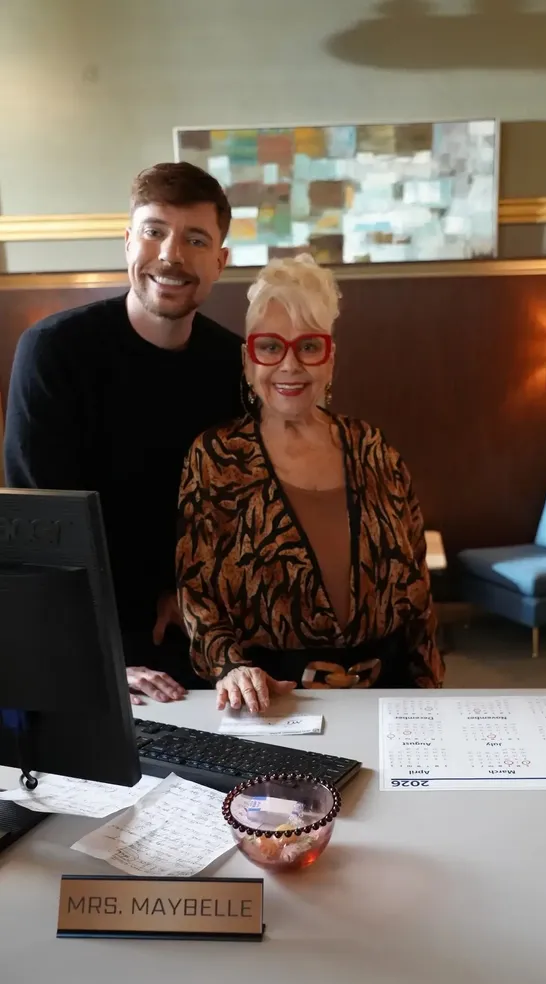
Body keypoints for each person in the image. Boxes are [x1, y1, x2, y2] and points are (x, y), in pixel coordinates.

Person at [4, 162, 243, 705]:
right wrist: (100, 657)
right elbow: (38, 530)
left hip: (201, 624)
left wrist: (195, 601)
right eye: (154, 231)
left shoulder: (233, 362)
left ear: (220, 261)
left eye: (196, 239)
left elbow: (237, 510)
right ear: (128, 241)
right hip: (88, 634)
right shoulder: (54, 351)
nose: (171, 255)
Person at [177, 254, 444, 713]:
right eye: (270, 346)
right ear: (248, 358)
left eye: (308, 346)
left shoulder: (374, 447)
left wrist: (431, 697)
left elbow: (418, 597)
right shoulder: (215, 457)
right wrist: (231, 669)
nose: (289, 365)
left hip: (388, 700)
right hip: (275, 704)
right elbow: (197, 597)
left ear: (330, 357)